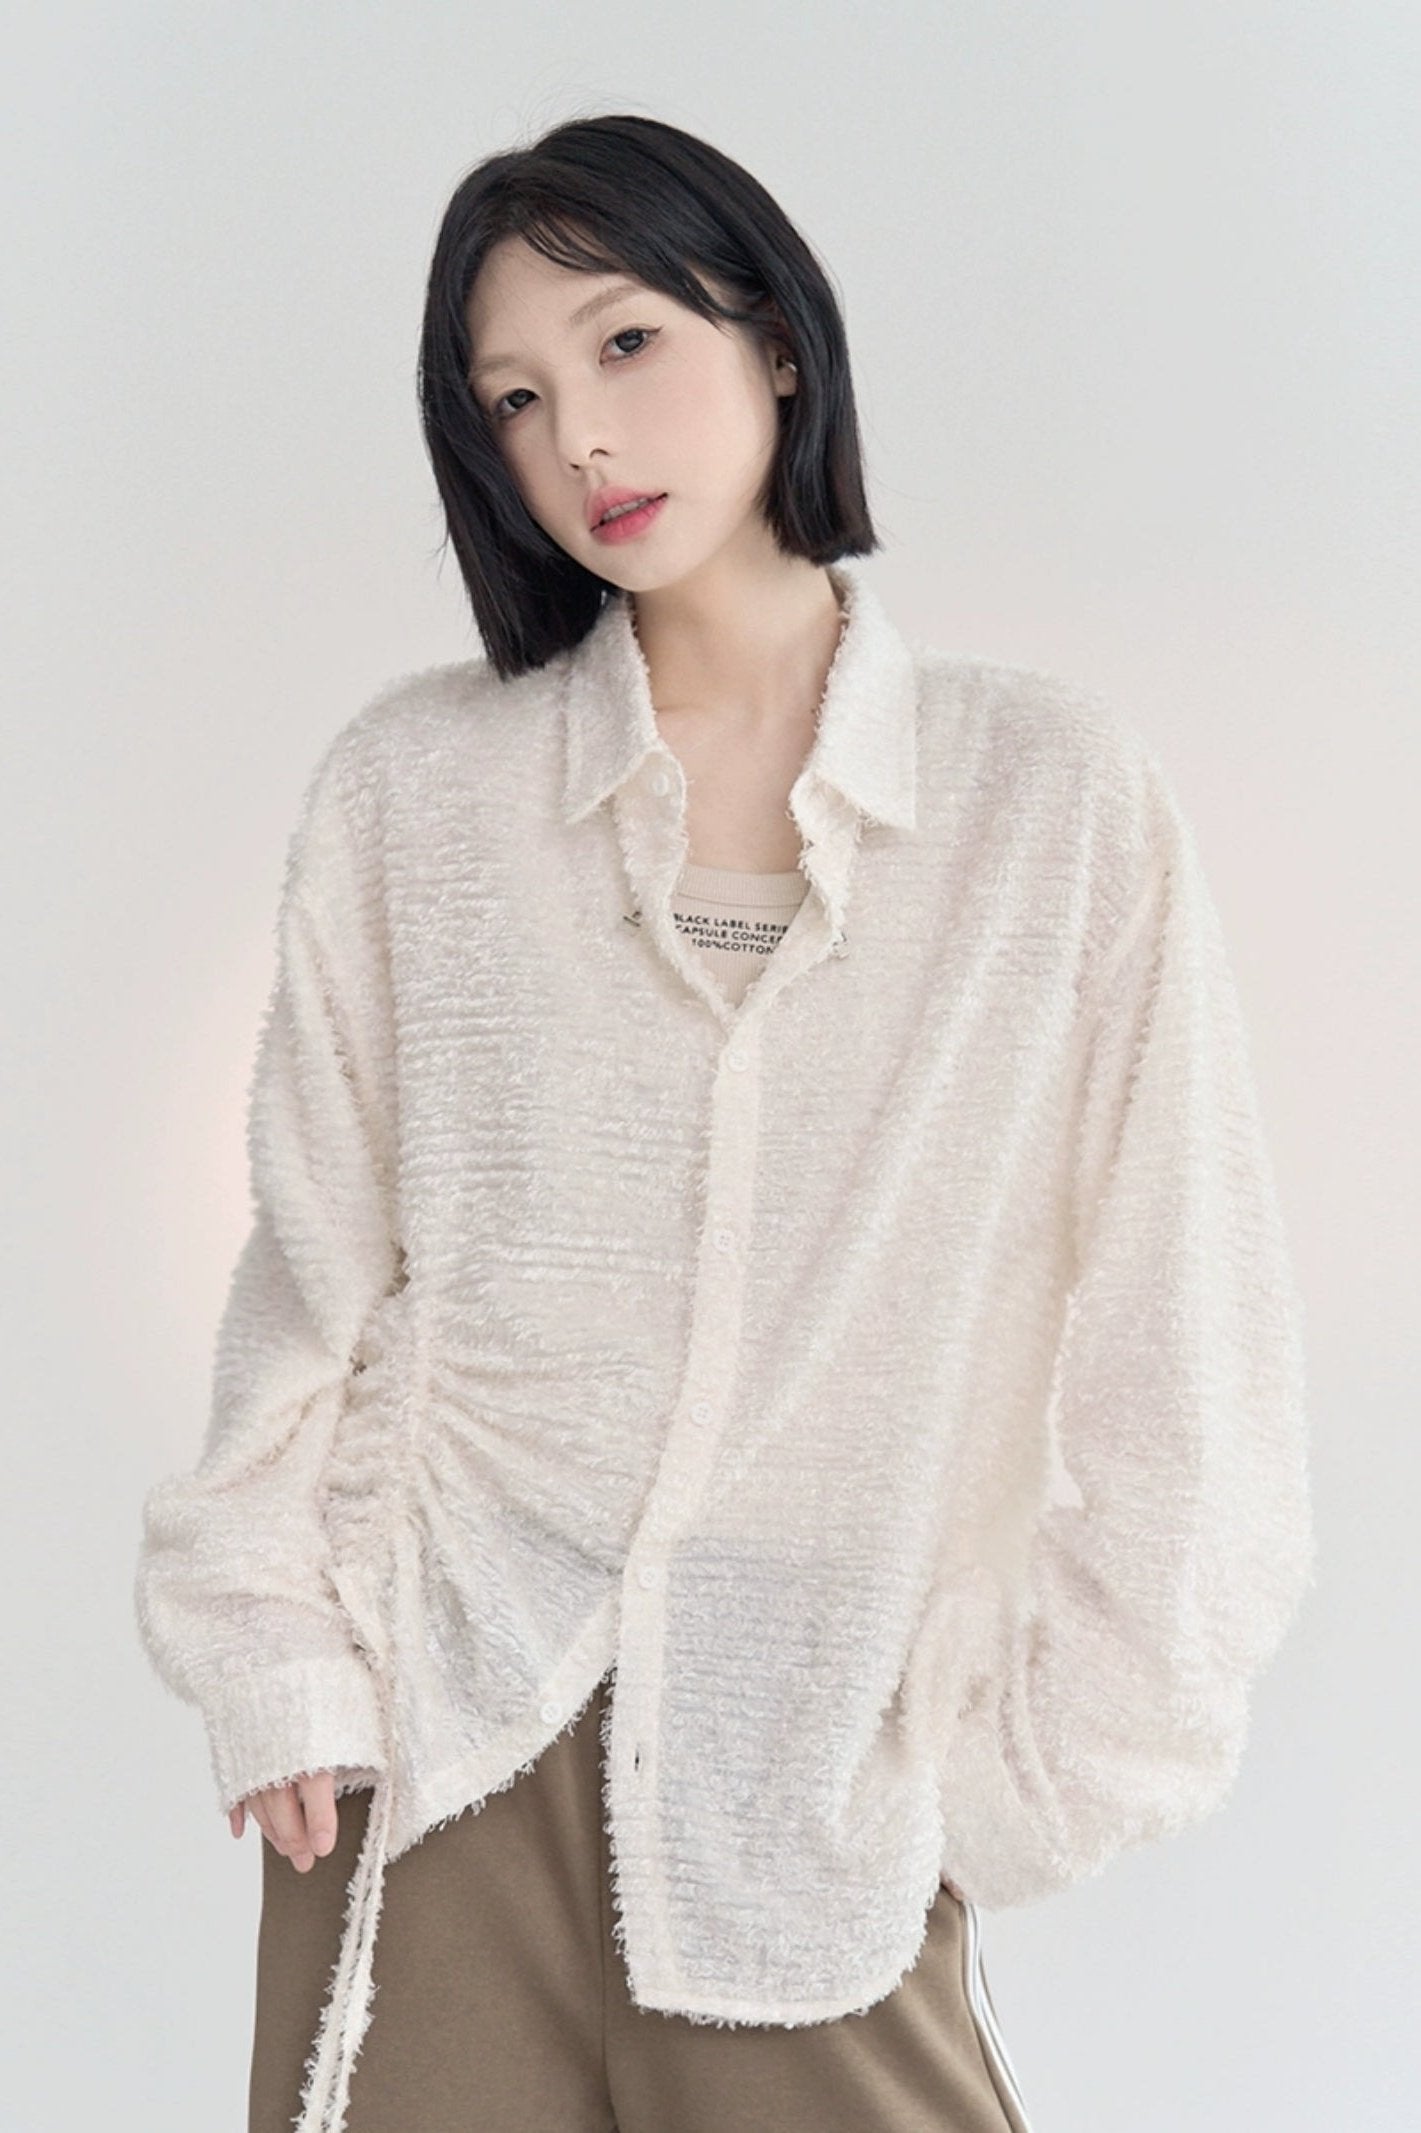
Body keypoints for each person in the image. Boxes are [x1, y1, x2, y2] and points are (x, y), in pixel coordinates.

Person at [132, 113, 1316, 2133]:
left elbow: (1186, 1346)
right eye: (515, 398)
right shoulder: (417, 792)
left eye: (624, 343)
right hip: (432, 1746)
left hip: (813, 1781)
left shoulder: (1045, 800)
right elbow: (309, 1277)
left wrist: (1014, 1791)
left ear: (774, 339)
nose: (580, 437)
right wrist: (274, 1655)